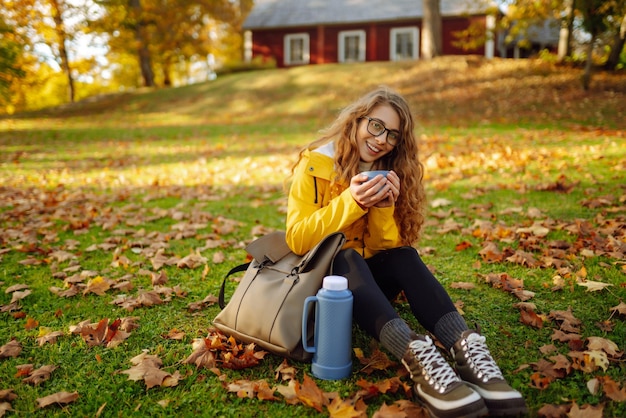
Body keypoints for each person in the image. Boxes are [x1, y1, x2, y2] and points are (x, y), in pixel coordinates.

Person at [285, 86, 527, 418]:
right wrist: (351, 203)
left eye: (393, 135)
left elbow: (385, 250)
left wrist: (384, 208)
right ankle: (417, 356)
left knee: (404, 255)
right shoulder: (314, 164)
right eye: (376, 126)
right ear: (357, 121)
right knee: (346, 255)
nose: (382, 139)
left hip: (370, 288)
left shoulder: (387, 171)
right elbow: (297, 239)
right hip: (328, 289)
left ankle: (467, 349)